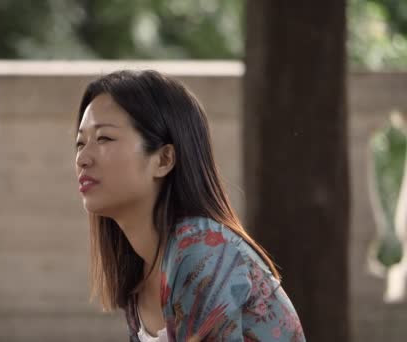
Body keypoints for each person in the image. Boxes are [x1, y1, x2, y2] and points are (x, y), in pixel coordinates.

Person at [74, 70, 306, 342]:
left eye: (104, 138)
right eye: (80, 143)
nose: (82, 158)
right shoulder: (141, 272)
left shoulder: (201, 250)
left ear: (164, 159)